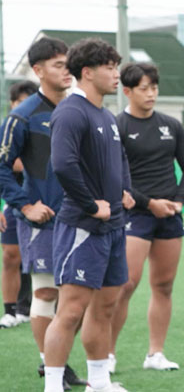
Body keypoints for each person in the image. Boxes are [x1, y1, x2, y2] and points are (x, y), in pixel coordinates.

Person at [43, 37, 134, 392]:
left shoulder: (106, 115)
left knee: (105, 309)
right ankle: (52, 385)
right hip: (82, 227)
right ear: (87, 72)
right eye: (110, 67)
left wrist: (124, 190)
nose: (116, 74)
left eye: (116, 66)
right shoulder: (70, 111)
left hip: (113, 228)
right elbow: (63, 165)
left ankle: (99, 381)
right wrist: (90, 204)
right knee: (71, 311)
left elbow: (119, 158)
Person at [0, 38, 87, 388]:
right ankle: (50, 365)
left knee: (77, 299)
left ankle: (57, 359)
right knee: (46, 293)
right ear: (37, 71)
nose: (66, 69)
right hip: (44, 221)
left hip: (80, 219)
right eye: (56, 64)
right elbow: (2, 166)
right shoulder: (22, 117)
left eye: (68, 63)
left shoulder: (79, 110)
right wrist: (25, 204)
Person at [108, 63, 184, 372]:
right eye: (144, 88)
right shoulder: (117, 125)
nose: (151, 94)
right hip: (135, 215)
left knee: (164, 285)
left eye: (154, 87)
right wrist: (150, 203)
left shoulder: (171, 125)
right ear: (127, 91)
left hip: (169, 216)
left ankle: (155, 354)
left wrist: (179, 201)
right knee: (126, 284)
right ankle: (107, 355)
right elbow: (115, 177)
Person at [1, 80, 38, 329]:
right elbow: (8, 165)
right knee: (11, 255)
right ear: (12, 104)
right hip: (15, 203)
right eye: (19, 102)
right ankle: (11, 310)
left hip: (45, 201)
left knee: (38, 259)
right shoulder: (8, 129)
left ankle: (32, 306)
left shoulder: (43, 129)